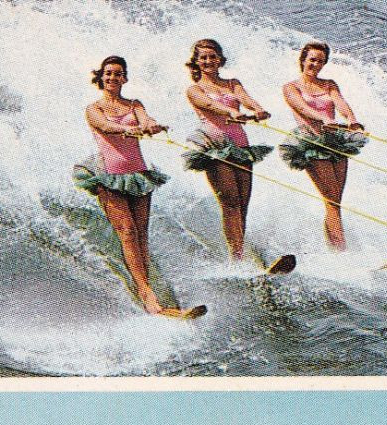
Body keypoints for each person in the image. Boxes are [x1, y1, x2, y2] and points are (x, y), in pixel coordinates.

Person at [74, 55, 197, 317]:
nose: (113, 78)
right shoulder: (93, 108)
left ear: (124, 78)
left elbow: (146, 119)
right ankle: (146, 294)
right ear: (101, 77)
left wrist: (152, 126)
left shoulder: (134, 104)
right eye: (108, 73)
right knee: (127, 233)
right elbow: (105, 126)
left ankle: (149, 286)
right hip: (110, 177)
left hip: (139, 175)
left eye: (118, 74)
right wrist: (129, 131)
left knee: (141, 234)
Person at [182, 39, 274, 260]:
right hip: (216, 149)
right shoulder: (194, 89)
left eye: (212, 57)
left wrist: (259, 109)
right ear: (196, 62)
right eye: (203, 57)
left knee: (242, 203)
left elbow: (246, 99)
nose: (208, 61)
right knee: (230, 202)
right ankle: (237, 257)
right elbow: (210, 105)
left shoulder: (233, 83)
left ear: (220, 59)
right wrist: (230, 112)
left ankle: (241, 251)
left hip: (241, 148)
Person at [281, 42, 367, 250]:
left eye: (320, 61)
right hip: (311, 143)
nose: (316, 64)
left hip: (336, 142)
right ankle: (341, 250)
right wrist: (322, 118)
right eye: (312, 59)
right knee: (331, 197)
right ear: (303, 60)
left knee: (335, 199)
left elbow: (341, 104)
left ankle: (334, 248)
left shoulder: (329, 84)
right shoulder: (290, 87)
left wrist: (352, 119)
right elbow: (301, 107)